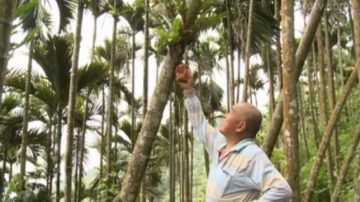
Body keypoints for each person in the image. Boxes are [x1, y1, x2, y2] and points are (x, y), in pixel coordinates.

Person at [175, 64, 292, 201]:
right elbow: (200, 124)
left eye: (231, 112)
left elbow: (282, 189)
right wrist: (189, 90)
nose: (226, 115)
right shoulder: (219, 143)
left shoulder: (252, 156)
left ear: (240, 126)